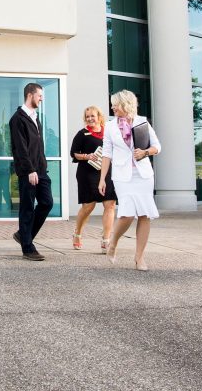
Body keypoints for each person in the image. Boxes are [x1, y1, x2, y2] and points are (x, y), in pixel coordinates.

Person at [98, 90, 160, 270]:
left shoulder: (142, 122)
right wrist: (102, 179)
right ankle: (114, 242)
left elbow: (157, 146)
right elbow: (107, 154)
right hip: (122, 176)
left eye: (115, 104)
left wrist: (145, 152)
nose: (112, 107)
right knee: (126, 214)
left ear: (125, 104)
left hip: (143, 175)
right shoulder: (110, 126)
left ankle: (139, 258)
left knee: (144, 214)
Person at [10, 82, 53, 261]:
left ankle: (23, 234)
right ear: (30, 95)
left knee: (47, 203)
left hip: (41, 170)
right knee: (27, 208)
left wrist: (41, 166)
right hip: (28, 172)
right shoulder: (17, 118)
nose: (42, 98)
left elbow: (37, 146)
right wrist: (29, 170)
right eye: (39, 95)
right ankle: (27, 247)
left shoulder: (36, 117)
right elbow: (20, 148)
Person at [69, 106, 116, 251]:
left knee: (110, 204)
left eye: (92, 116)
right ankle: (77, 233)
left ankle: (106, 240)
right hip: (87, 173)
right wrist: (87, 156)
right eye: (87, 116)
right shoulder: (82, 134)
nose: (90, 119)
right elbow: (74, 153)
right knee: (89, 206)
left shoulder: (108, 132)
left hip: (107, 172)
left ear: (99, 117)